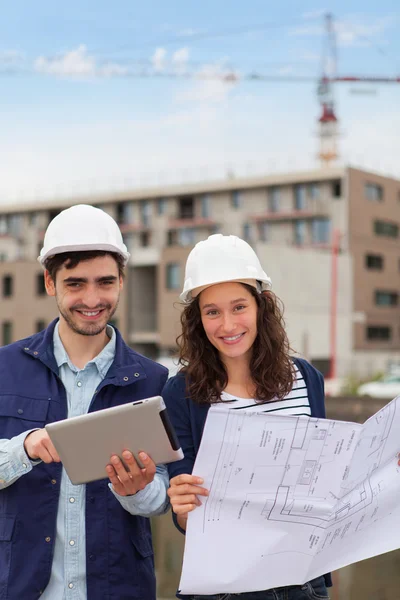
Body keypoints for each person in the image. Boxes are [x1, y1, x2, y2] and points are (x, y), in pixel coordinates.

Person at [0, 204, 169, 600]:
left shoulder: (155, 381)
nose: (92, 298)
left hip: (119, 589)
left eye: (105, 282)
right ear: (49, 282)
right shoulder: (3, 368)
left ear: (121, 282)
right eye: (75, 283)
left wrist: (137, 490)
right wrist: (23, 449)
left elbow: (165, 497)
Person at [162, 234, 332, 600]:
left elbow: (327, 480)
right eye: (212, 312)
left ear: (261, 306)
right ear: (198, 319)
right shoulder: (181, 395)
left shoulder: (306, 379)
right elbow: (186, 519)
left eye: (238, 307)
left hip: (305, 582)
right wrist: (181, 504)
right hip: (225, 588)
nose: (227, 325)